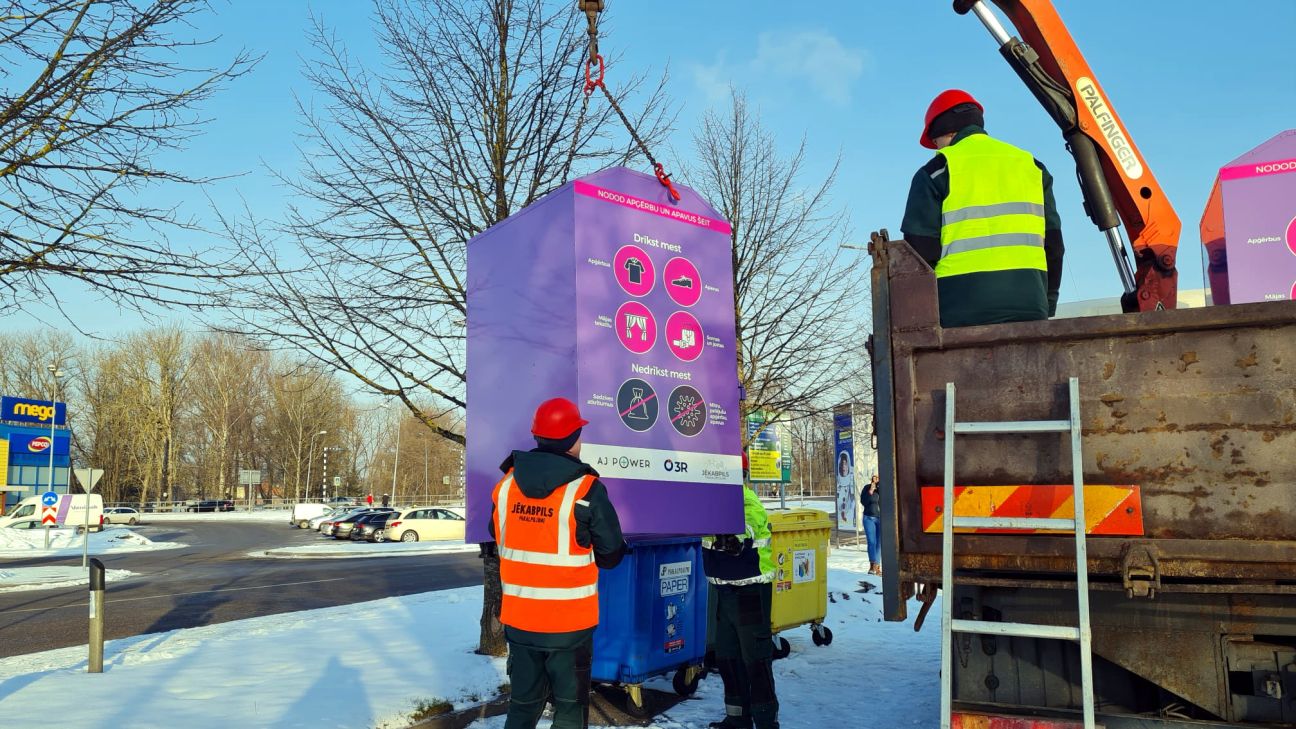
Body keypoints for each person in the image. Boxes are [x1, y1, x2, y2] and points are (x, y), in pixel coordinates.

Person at [489, 397, 625, 729]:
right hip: (569, 627)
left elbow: (496, 532)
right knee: (569, 711)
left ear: (538, 436)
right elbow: (611, 555)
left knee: (522, 707)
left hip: (520, 621)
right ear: (572, 438)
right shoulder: (586, 488)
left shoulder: (506, 485)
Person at [900, 89, 1066, 329]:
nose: (937, 149)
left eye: (935, 142)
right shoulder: (1031, 166)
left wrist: (919, 318)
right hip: (1030, 306)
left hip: (958, 309)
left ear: (945, 131)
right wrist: (1046, 304)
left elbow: (918, 252)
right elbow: (1053, 244)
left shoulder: (937, 170)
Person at [703, 451, 779, 729]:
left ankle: (765, 720)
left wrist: (733, 536)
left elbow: (749, 524)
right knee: (727, 657)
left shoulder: (747, 502)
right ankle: (737, 718)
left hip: (750, 591)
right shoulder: (711, 504)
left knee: (755, 660)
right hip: (724, 590)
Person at [860, 473, 882, 576]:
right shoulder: (867, 488)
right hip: (868, 518)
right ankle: (872, 564)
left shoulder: (882, 488)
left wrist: (879, 488)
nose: (875, 479)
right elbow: (863, 501)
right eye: (874, 477)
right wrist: (871, 491)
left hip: (880, 519)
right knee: (871, 542)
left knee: (879, 543)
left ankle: (877, 567)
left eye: (877, 477)